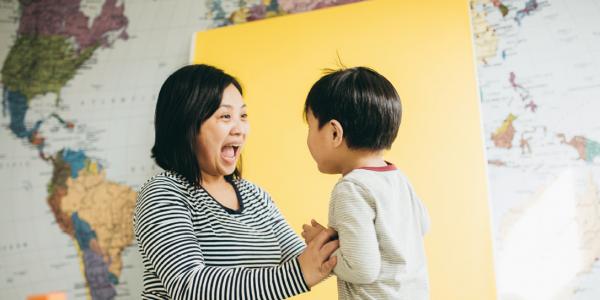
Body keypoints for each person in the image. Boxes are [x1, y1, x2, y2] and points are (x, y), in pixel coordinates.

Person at [133, 64, 339, 299]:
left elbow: (305, 262)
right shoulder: (162, 193)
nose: (240, 129)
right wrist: (298, 273)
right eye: (225, 116)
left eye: (243, 115)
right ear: (187, 124)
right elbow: (188, 286)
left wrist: (336, 244)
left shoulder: (254, 195)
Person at [301, 67, 430, 299]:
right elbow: (423, 224)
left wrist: (323, 248)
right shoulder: (397, 178)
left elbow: (361, 269)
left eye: (310, 127)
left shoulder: (351, 189)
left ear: (334, 133)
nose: (308, 139)